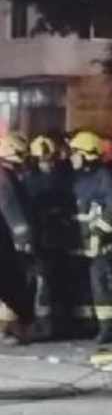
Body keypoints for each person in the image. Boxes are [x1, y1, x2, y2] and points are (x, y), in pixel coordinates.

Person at [68, 130, 112, 344]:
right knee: (84, 286)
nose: (72, 157)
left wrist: (99, 231)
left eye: (76, 153)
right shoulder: (78, 178)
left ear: (88, 155)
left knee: (101, 286)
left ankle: (107, 329)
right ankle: (86, 325)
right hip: (82, 242)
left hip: (100, 243)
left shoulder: (103, 177)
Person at [23, 134, 76, 340]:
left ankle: (60, 322)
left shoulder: (62, 178)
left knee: (61, 281)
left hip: (59, 238)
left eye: (50, 158)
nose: (48, 163)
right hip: (40, 239)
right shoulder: (28, 181)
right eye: (44, 159)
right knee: (41, 283)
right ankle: (42, 325)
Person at [0, 132, 35, 345]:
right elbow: (12, 212)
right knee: (12, 284)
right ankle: (11, 330)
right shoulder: (4, 178)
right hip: (5, 243)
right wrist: (25, 241)